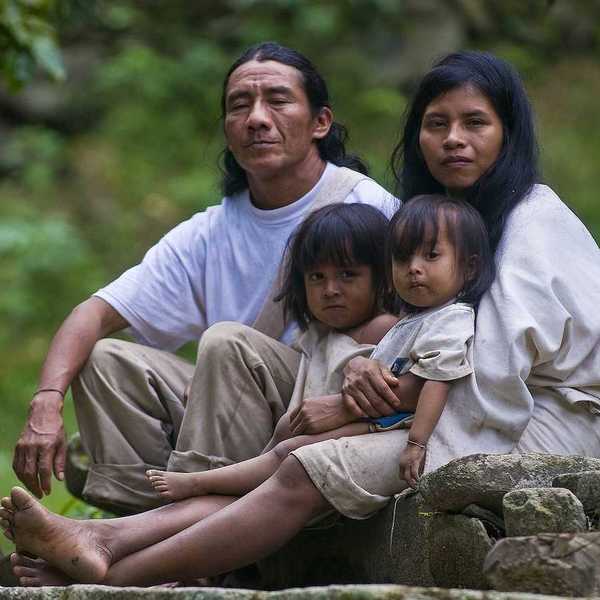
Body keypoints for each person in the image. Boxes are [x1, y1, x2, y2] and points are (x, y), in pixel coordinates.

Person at [4, 49, 600, 588]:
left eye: (475, 123)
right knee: (137, 365)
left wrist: (351, 405)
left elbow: (487, 372)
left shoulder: (523, 219)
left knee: (297, 451)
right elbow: (412, 327)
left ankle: (112, 566)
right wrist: (47, 398)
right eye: (436, 124)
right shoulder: (436, 218)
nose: (452, 140)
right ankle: (125, 543)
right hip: (406, 398)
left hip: (518, 415)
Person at [12, 41, 397, 514]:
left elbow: (420, 318)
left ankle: (188, 523)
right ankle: (139, 517)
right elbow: (92, 314)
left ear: (320, 122)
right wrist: (46, 402)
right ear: (227, 130)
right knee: (104, 360)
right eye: (240, 105)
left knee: (226, 344)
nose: (257, 118)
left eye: (277, 101)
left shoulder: (366, 205)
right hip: (228, 409)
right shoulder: (210, 230)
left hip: (320, 402)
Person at [146, 194, 494, 502]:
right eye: (316, 278)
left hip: (378, 434)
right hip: (343, 434)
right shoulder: (327, 333)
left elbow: (425, 383)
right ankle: (207, 486)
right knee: (281, 446)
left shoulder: (403, 325)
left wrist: (416, 444)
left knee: (286, 450)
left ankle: (203, 485)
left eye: (347, 275)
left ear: (380, 277)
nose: (330, 290)